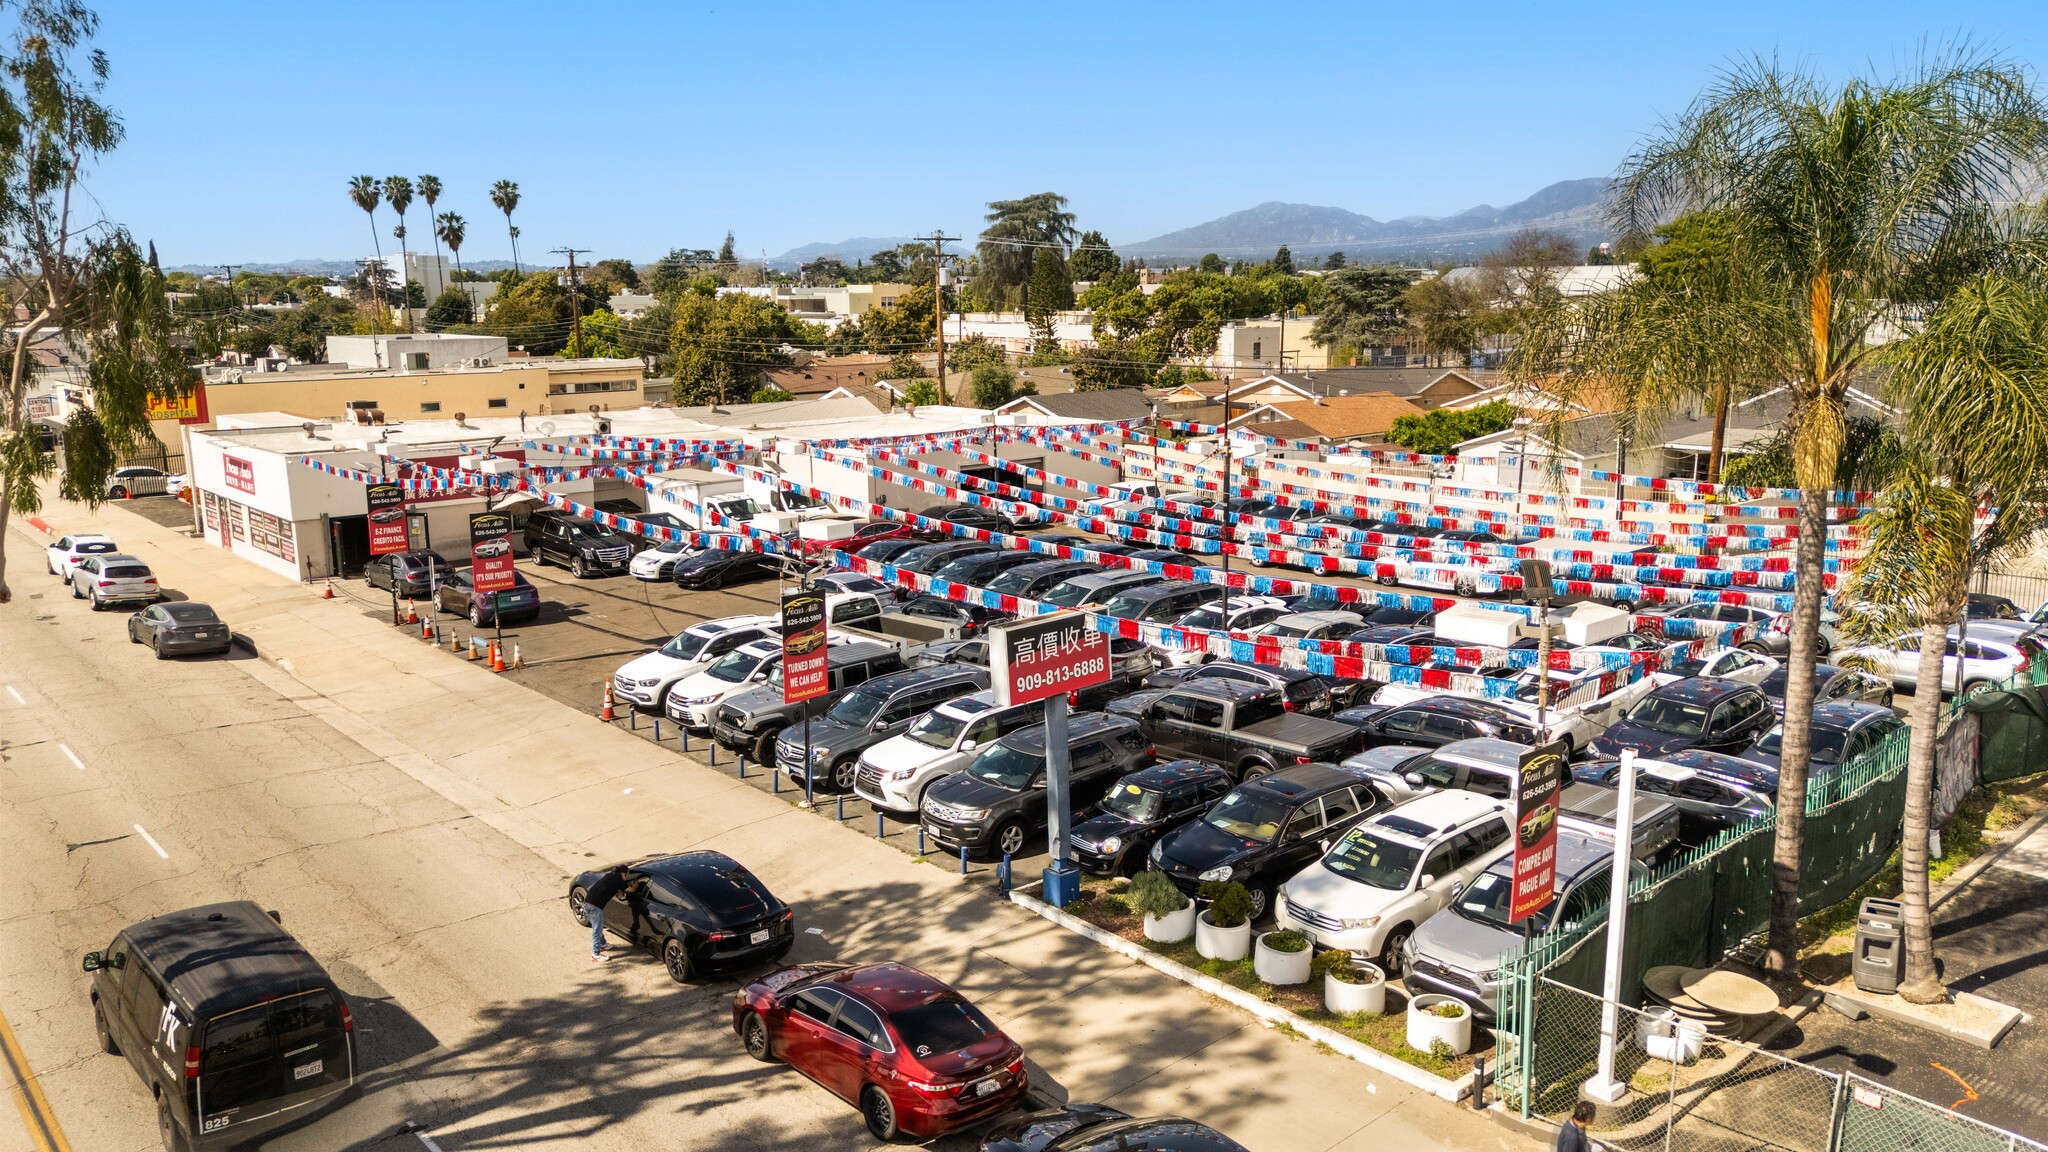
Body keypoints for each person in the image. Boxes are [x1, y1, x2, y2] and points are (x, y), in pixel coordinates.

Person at [582, 864, 628, 963]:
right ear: (623, 873)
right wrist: (637, 883)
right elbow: (631, 889)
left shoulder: (609, 876)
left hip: (587, 902)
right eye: (626, 875)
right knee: (596, 930)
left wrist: (619, 894)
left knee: (597, 926)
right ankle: (595, 955)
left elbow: (611, 889)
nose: (626, 877)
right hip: (595, 906)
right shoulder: (619, 880)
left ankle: (603, 944)